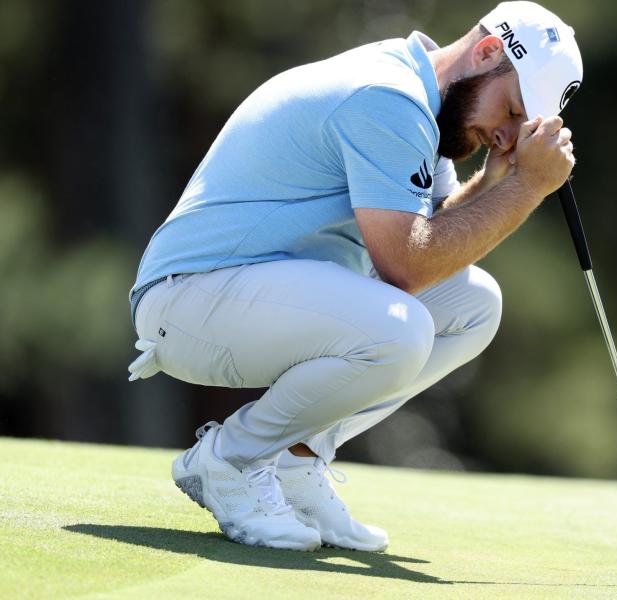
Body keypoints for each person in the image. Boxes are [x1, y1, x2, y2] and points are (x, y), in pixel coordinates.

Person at [127, 1, 582, 552]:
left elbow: (430, 238)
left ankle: (298, 459)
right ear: (487, 52)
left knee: (473, 304)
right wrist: (528, 188)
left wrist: (493, 184)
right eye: (512, 111)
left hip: (250, 294)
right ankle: (230, 459)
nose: (507, 136)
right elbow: (406, 265)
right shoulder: (388, 98)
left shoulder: (425, 105)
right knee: (401, 328)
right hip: (192, 298)